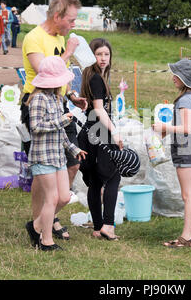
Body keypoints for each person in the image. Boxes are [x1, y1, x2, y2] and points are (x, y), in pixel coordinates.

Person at [21, 0, 87, 241]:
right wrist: (68, 52)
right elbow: (45, 73)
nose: (73, 25)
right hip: (36, 105)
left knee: (71, 163)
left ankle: (41, 222)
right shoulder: (33, 38)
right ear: (57, 16)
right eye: (70, 19)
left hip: (60, 105)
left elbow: (59, 78)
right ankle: (44, 219)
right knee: (43, 170)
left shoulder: (60, 37)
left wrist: (71, 95)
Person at [25, 56, 87, 251]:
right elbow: (35, 127)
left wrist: (74, 149)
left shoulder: (56, 99)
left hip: (58, 156)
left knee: (64, 197)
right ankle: (46, 240)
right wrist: (61, 120)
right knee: (51, 198)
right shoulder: (38, 100)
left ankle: (36, 226)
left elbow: (61, 134)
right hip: (43, 157)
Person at [152, 59, 191, 248]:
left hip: (186, 150)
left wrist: (164, 126)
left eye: (175, 74)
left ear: (184, 78)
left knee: (188, 196)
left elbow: (186, 128)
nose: (173, 78)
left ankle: (186, 238)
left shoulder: (185, 99)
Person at [78, 38, 124, 241]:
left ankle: (98, 227)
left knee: (95, 181)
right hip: (100, 132)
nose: (103, 58)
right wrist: (114, 131)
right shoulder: (96, 78)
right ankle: (108, 225)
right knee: (114, 176)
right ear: (91, 56)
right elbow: (98, 109)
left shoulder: (91, 76)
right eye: (99, 54)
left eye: (106, 54)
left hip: (90, 132)